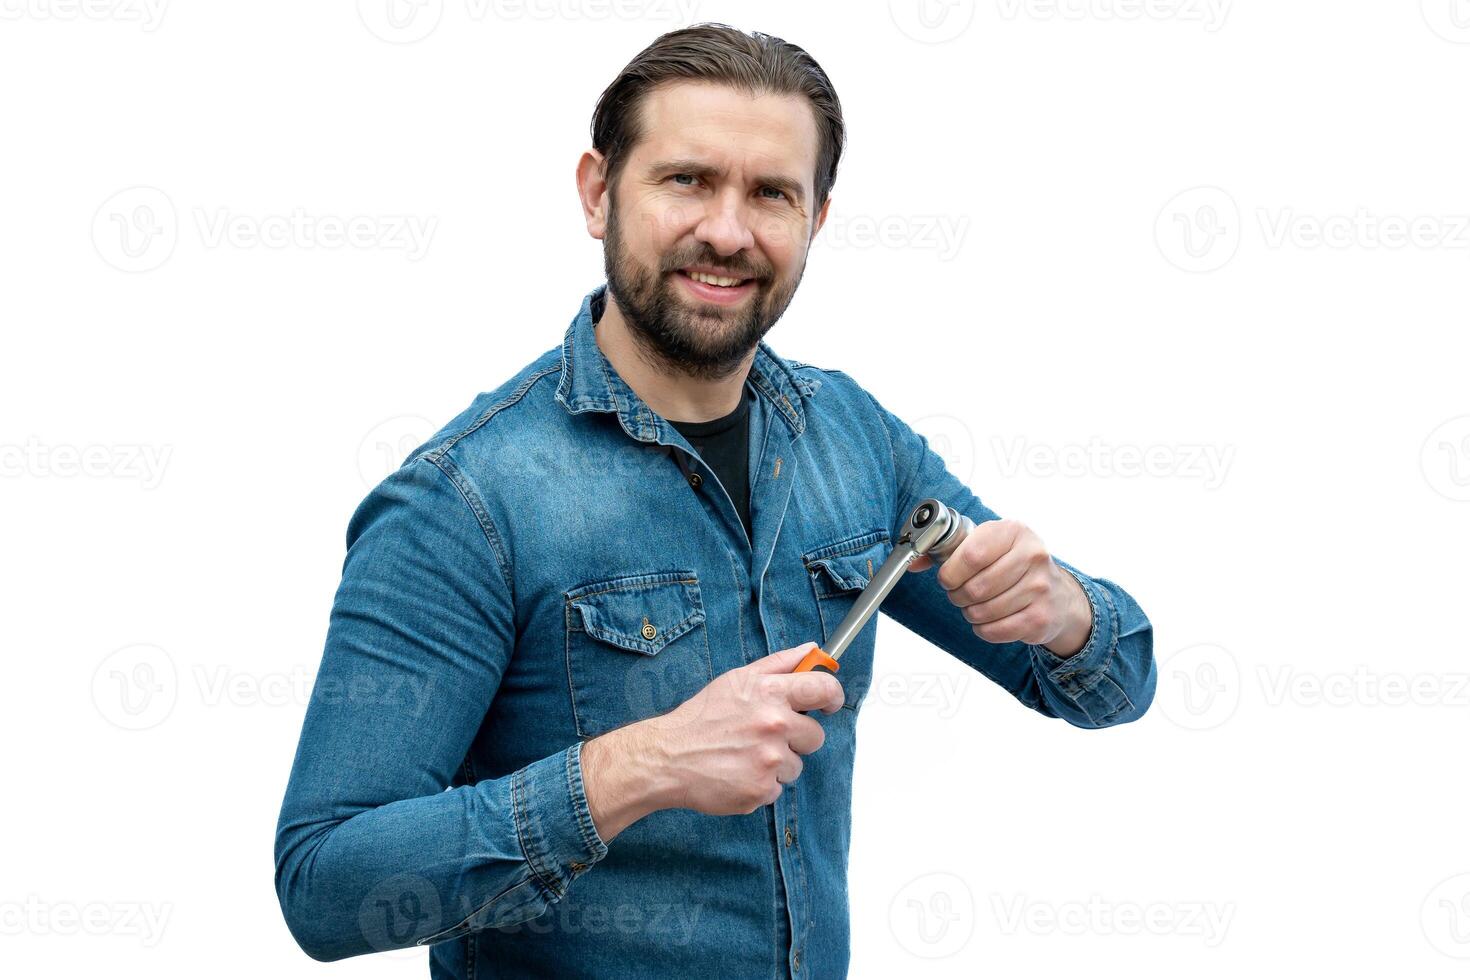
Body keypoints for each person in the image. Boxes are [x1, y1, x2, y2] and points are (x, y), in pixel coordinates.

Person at [273, 22, 1156, 978]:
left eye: (771, 193)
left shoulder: (852, 435)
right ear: (597, 192)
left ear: (816, 219)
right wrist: (637, 767)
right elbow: (324, 886)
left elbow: (1115, 689)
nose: (728, 232)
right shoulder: (464, 501)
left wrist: (1063, 612)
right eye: (687, 179)